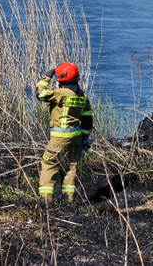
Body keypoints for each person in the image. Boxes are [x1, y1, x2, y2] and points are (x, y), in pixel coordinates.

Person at [36, 62, 93, 206]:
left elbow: (40, 94)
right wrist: (84, 139)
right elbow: (87, 121)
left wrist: (46, 77)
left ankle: (46, 201)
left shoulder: (61, 93)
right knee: (70, 167)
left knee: (49, 165)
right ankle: (69, 201)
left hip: (58, 140)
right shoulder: (82, 96)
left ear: (62, 78)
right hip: (75, 140)